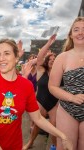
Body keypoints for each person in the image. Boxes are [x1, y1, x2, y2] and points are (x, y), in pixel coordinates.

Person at [0, 38, 72, 150]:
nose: (1, 59)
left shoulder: (26, 85)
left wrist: (63, 136)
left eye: (6, 54)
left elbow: (38, 118)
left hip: (14, 145)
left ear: (16, 58)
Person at [49, 17, 84, 150]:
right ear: (71, 34)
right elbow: (52, 86)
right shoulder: (62, 57)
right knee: (65, 147)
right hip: (67, 110)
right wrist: (72, 97)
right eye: (76, 29)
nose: (80, 32)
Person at [23, 35, 59, 150]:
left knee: (54, 126)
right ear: (47, 61)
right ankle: (30, 142)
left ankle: (54, 146)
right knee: (37, 125)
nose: (52, 61)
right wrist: (49, 42)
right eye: (50, 59)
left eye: (54, 60)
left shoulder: (59, 73)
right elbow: (39, 57)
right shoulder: (41, 71)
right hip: (41, 101)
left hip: (54, 103)